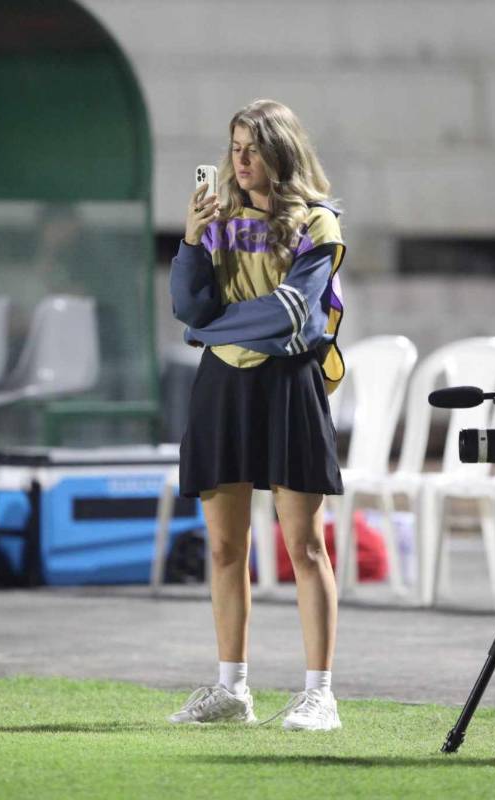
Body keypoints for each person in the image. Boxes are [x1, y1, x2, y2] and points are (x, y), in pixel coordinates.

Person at [166, 99, 347, 731]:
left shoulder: (319, 224)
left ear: (282, 151)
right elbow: (188, 307)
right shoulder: (215, 222)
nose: (241, 161)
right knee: (223, 547)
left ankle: (319, 694)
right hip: (222, 386)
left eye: (254, 148)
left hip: (290, 384)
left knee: (303, 545)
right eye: (235, 147)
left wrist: (211, 327)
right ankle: (231, 690)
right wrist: (191, 241)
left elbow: (292, 313)